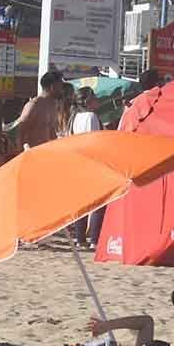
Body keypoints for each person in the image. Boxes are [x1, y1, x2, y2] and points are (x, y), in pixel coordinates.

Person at [70, 87, 105, 247]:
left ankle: (79, 238)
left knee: (81, 202)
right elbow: (94, 141)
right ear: (88, 101)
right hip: (91, 161)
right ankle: (95, 238)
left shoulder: (75, 117)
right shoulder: (91, 116)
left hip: (77, 162)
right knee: (99, 202)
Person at [14, 71, 64, 150]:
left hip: (45, 153)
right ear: (52, 86)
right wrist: (21, 152)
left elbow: (51, 132)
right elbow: (20, 130)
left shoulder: (53, 106)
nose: (62, 89)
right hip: (32, 153)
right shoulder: (34, 105)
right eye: (60, 85)